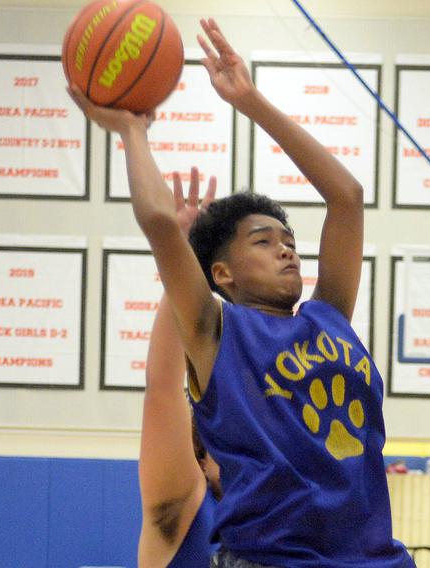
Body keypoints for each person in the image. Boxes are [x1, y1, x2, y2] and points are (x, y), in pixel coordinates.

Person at [69, 17, 412, 568]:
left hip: (373, 560)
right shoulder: (216, 333)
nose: (287, 251)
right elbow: (159, 220)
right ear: (222, 273)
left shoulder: (329, 316)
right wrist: (132, 131)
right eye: (264, 240)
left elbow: (346, 196)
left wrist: (250, 101)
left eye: (290, 241)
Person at [137, 178, 220, 567]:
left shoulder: (271, 518)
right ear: (203, 455)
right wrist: (184, 253)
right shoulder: (185, 500)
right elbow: (163, 386)